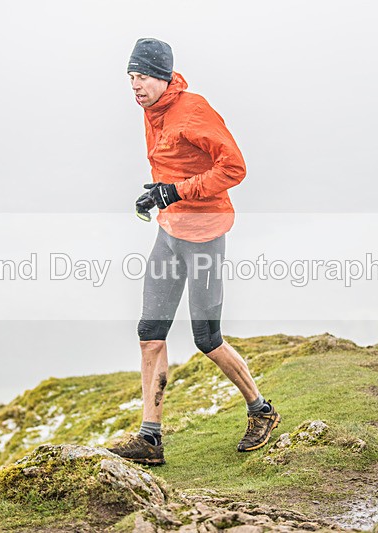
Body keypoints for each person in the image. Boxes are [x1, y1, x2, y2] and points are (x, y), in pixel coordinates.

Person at [107, 38, 280, 466]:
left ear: (164, 76)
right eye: (130, 76)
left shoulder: (193, 110)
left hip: (204, 236)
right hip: (169, 233)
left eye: (142, 75)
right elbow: (173, 166)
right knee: (150, 333)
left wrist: (177, 191)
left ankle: (262, 411)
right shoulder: (152, 111)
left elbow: (234, 167)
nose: (135, 84)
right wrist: (157, 196)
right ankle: (150, 438)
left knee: (207, 339)